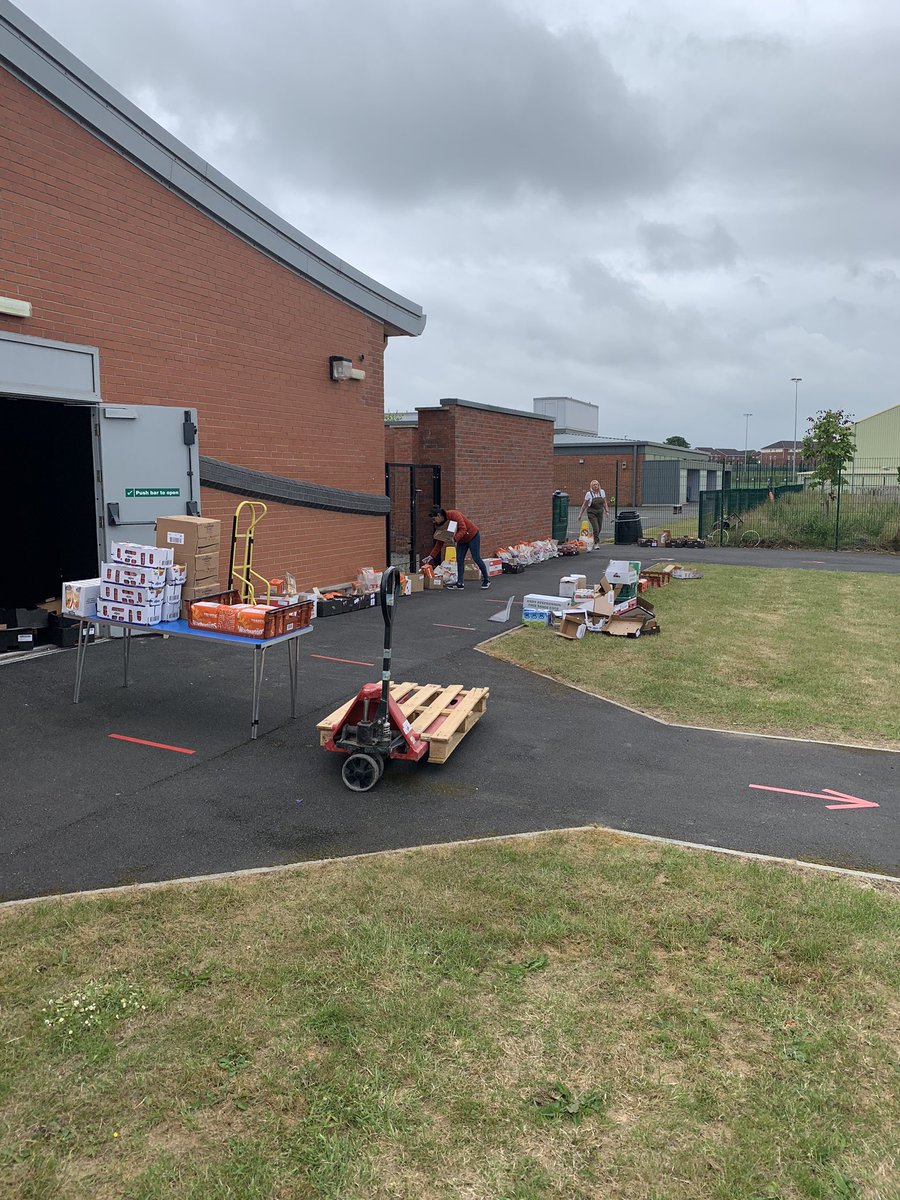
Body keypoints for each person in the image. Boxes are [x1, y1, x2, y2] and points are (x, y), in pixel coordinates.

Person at [422, 506, 490, 590]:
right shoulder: (438, 525)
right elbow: (440, 541)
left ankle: (486, 580)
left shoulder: (454, 515)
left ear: (439, 515)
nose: (433, 522)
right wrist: (431, 556)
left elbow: (463, 529)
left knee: (476, 557)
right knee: (459, 559)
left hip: (473, 536)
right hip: (462, 541)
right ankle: (460, 582)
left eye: (434, 519)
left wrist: (454, 539)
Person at [577, 479, 610, 550]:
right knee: (596, 528)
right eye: (594, 485)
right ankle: (596, 543)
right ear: (591, 486)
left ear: (598, 485)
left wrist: (607, 511)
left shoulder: (602, 492)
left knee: (599, 528)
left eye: (597, 485)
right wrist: (580, 514)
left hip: (600, 512)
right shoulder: (589, 494)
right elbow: (584, 505)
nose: (595, 486)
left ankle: (592, 538)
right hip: (592, 512)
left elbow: (604, 502)